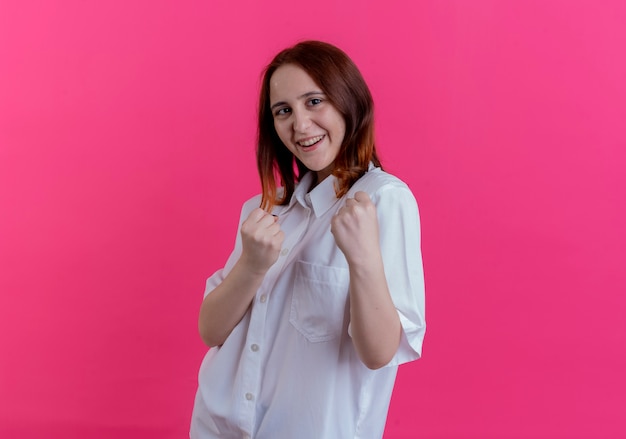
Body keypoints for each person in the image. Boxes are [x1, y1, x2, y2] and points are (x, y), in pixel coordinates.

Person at [190, 40, 426, 439]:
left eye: (314, 101)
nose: (299, 125)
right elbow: (211, 331)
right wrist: (251, 265)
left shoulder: (384, 200)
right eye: (284, 111)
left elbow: (379, 354)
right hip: (217, 427)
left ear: (347, 100)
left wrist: (364, 259)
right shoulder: (264, 210)